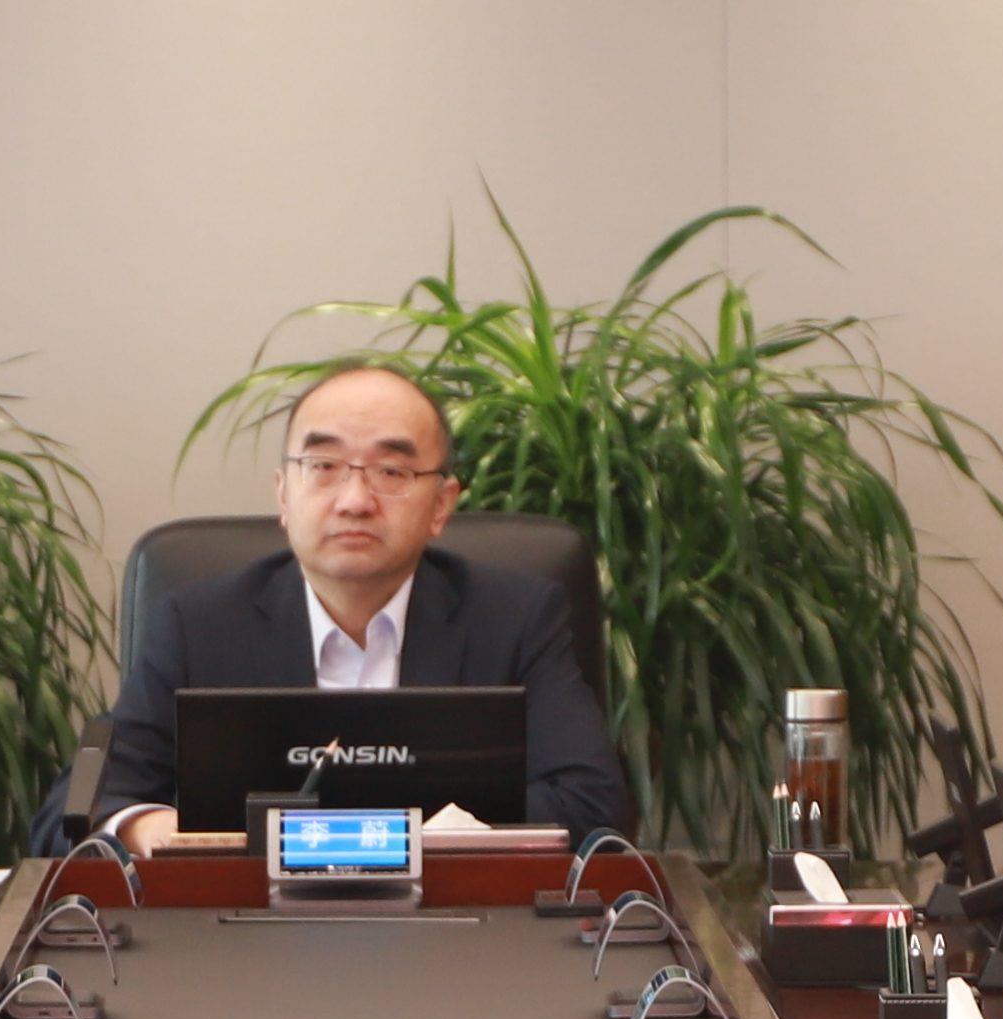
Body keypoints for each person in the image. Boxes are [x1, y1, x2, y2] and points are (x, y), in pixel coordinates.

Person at [96, 360, 632, 849]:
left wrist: (406, 842)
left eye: (392, 472)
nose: (354, 501)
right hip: (248, 917)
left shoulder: (515, 620)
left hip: (452, 915)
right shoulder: (198, 625)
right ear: (284, 494)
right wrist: (147, 828)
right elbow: (85, 805)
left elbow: (593, 802)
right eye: (323, 466)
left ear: (441, 505)